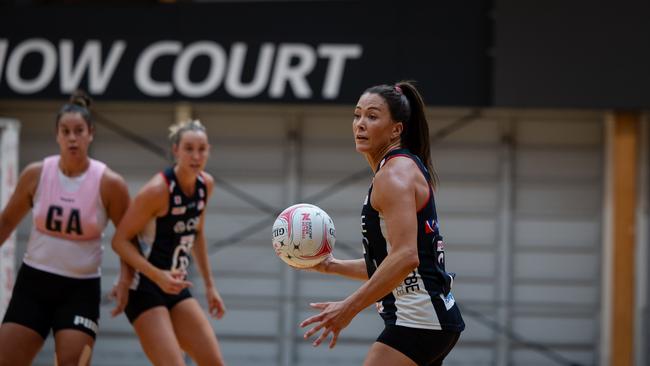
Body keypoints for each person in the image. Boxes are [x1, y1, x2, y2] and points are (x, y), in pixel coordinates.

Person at [298, 81, 465, 366]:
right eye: (357, 115)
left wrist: (347, 309)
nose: (360, 124)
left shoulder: (393, 175)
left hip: (419, 323)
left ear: (396, 129)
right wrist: (331, 265)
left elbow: (405, 258)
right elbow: (393, 263)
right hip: (431, 322)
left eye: (372, 116)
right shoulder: (399, 168)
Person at [0, 91, 134, 366]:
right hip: (34, 284)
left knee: (72, 362)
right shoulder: (36, 174)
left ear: (90, 134)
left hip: (79, 291)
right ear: (57, 135)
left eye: (79, 131)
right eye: (66, 131)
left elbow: (128, 238)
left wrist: (125, 281)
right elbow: (5, 223)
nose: (72, 138)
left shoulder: (109, 183)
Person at [111, 119, 226, 366]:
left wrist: (209, 286)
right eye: (189, 148)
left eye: (202, 149)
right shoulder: (157, 191)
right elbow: (119, 241)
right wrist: (156, 275)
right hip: (144, 287)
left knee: (214, 362)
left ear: (209, 150)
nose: (196, 156)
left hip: (175, 286)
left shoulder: (206, 184)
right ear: (176, 150)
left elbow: (197, 233)